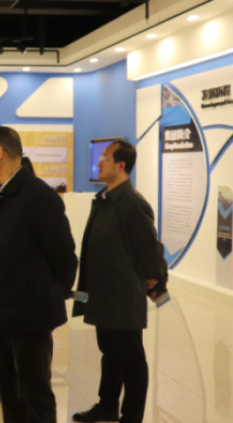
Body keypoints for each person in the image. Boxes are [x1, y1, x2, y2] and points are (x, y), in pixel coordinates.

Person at [0, 126, 78, 423]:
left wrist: (48, 294)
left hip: (30, 314)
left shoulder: (38, 196)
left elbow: (64, 257)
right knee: (9, 391)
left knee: (34, 393)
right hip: (2, 313)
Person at [71, 140, 168, 423]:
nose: (99, 163)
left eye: (105, 158)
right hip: (103, 294)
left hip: (123, 296)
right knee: (110, 354)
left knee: (132, 360)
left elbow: (149, 249)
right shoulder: (105, 199)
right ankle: (107, 406)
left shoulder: (132, 203)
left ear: (121, 165)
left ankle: (132, 417)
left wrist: (157, 283)